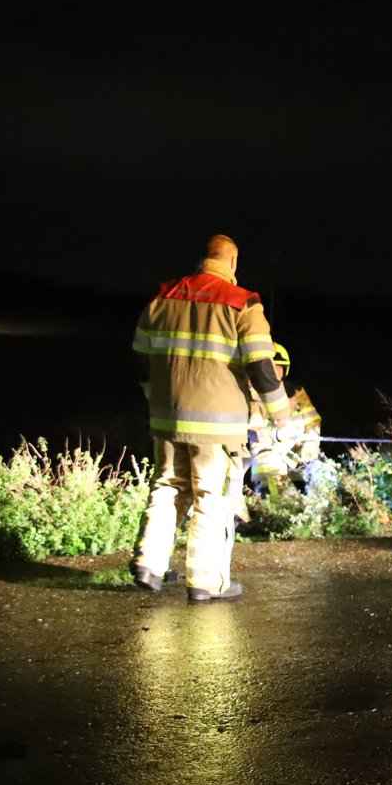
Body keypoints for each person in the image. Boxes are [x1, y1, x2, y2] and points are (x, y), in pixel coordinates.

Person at [130, 234, 294, 602]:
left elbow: (141, 356)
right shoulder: (242, 304)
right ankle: (205, 583)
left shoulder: (163, 297)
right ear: (233, 263)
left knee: (168, 486)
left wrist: (152, 395)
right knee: (212, 498)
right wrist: (281, 416)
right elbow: (262, 369)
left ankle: (149, 565)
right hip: (218, 428)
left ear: (201, 258)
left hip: (167, 417)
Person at [246, 342, 323, 496]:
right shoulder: (250, 394)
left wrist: (311, 443)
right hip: (267, 456)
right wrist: (275, 432)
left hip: (295, 456)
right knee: (281, 499)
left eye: (278, 367)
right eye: (269, 368)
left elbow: (312, 421)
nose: (274, 372)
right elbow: (253, 429)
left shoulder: (296, 393)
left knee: (321, 480)